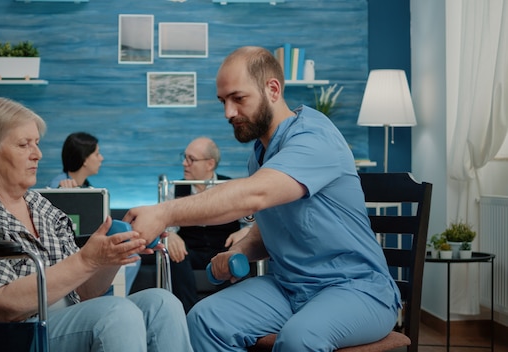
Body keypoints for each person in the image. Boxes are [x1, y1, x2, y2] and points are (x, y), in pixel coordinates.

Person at [123, 46, 400, 351]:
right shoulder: (260, 157)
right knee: (204, 319)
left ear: (272, 89)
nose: (228, 112)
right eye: (223, 101)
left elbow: (255, 194)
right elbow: (274, 228)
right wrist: (240, 249)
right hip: (290, 288)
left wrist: (164, 213)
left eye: (238, 99)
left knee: (299, 338)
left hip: (356, 290)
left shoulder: (314, 137)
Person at [0, 97, 193, 352]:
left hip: (56, 323)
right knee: (116, 313)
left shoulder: (44, 208)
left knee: (162, 303)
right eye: (24, 144)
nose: (38, 154)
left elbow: (85, 294)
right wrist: (86, 260)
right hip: (3, 335)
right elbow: (4, 306)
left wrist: (112, 256)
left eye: (37, 143)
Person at [161, 136, 249, 313]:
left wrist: (245, 231)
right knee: (174, 254)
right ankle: (189, 314)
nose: (185, 163)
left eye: (191, 159)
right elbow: (162, 221)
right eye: (184, 157)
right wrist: (170, 234)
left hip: (222, 248)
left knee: (234, 256)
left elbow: (251, 222)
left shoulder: (230, 187)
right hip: (190, 251)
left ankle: (223, 313)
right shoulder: (175, 189)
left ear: (209, 164)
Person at [49, 131, 141, 296]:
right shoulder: (58, 187)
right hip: (74, 254)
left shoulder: (89, 189)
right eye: (97, 154)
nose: (101, 158)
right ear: (84, 159)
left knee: (133, 255)